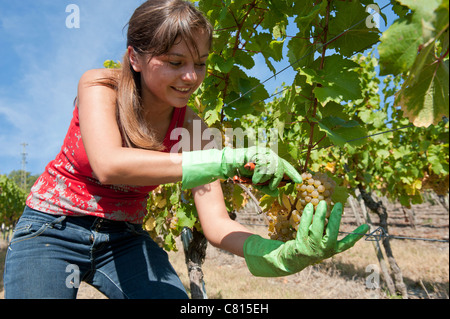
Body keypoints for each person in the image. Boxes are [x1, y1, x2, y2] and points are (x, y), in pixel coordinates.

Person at [3, 0, 368, 299]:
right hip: (51, 229)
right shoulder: (100, 87)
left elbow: (216, 223)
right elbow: (109, 165)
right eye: (176, 63)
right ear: (135, 58)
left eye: (201, 64)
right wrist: (222, 159)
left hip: (123, 237)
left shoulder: (193, 128)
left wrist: (273, 253)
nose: (191, 76)